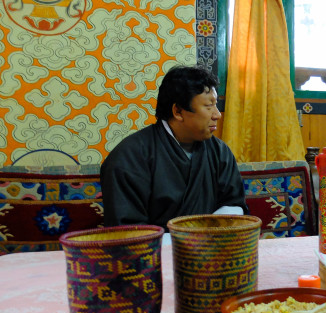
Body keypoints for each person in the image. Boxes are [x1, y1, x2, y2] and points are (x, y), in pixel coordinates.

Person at [101, 65, 247, 229]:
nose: (217, 115)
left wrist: (208, 231)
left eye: (216, 105)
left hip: (211, 247)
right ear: (178, 111)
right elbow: (126, 230)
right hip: (154, 251)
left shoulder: (219, 152)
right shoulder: (129, 158)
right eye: (208, 106)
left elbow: (234, 203)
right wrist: (182, 241)